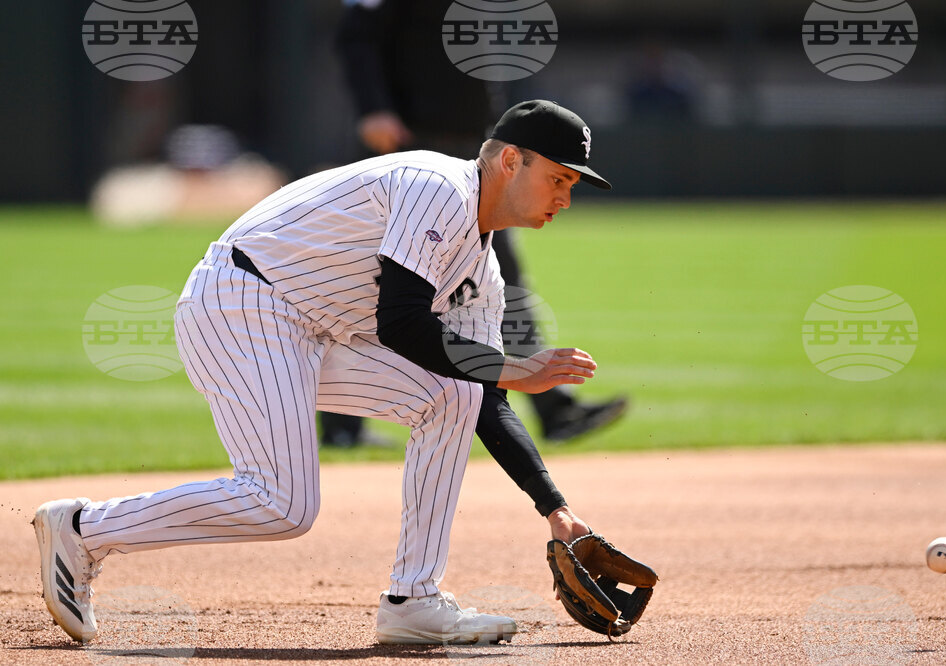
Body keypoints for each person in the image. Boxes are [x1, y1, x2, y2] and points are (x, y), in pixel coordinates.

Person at [33, 100, 609, 646]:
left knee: (457, 394)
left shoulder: (483, 275)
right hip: (240, 302)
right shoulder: (439, 187)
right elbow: (402, 323)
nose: (564, 195)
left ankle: (413, 602)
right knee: (282, 504)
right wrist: (509, 368)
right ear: (511, 160)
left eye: (572, 185)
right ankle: (83, 530)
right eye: (558, 178)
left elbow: (482, 396)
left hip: (311, 332)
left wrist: (556, 510)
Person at [321, 0, 627, 447]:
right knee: (367, 279)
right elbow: (356, 32)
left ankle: (554, 408)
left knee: (500, 277)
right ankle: (342, 427)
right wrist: (373, 107)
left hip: (469, 145)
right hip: (414, 149)